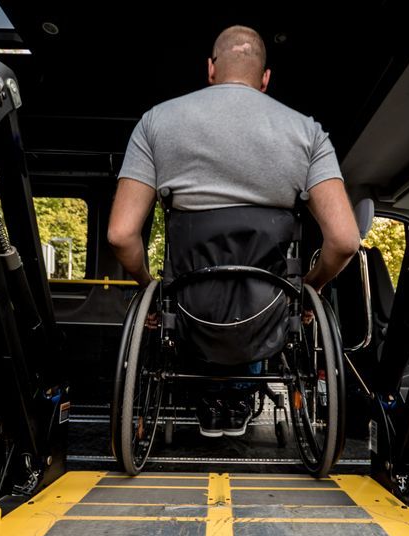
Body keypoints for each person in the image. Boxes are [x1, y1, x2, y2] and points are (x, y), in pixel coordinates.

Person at [108, 25, 359, 437]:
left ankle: (210, 398)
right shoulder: (308, 133)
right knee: (265, 298)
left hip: (190, 304)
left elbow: (120, 234)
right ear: (265, 79)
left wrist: (149, 286)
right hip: (268, 307)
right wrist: (308, 288)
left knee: (195, 303)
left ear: (210, 69)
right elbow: (346, 241)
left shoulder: (156, 122)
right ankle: (239, 396)